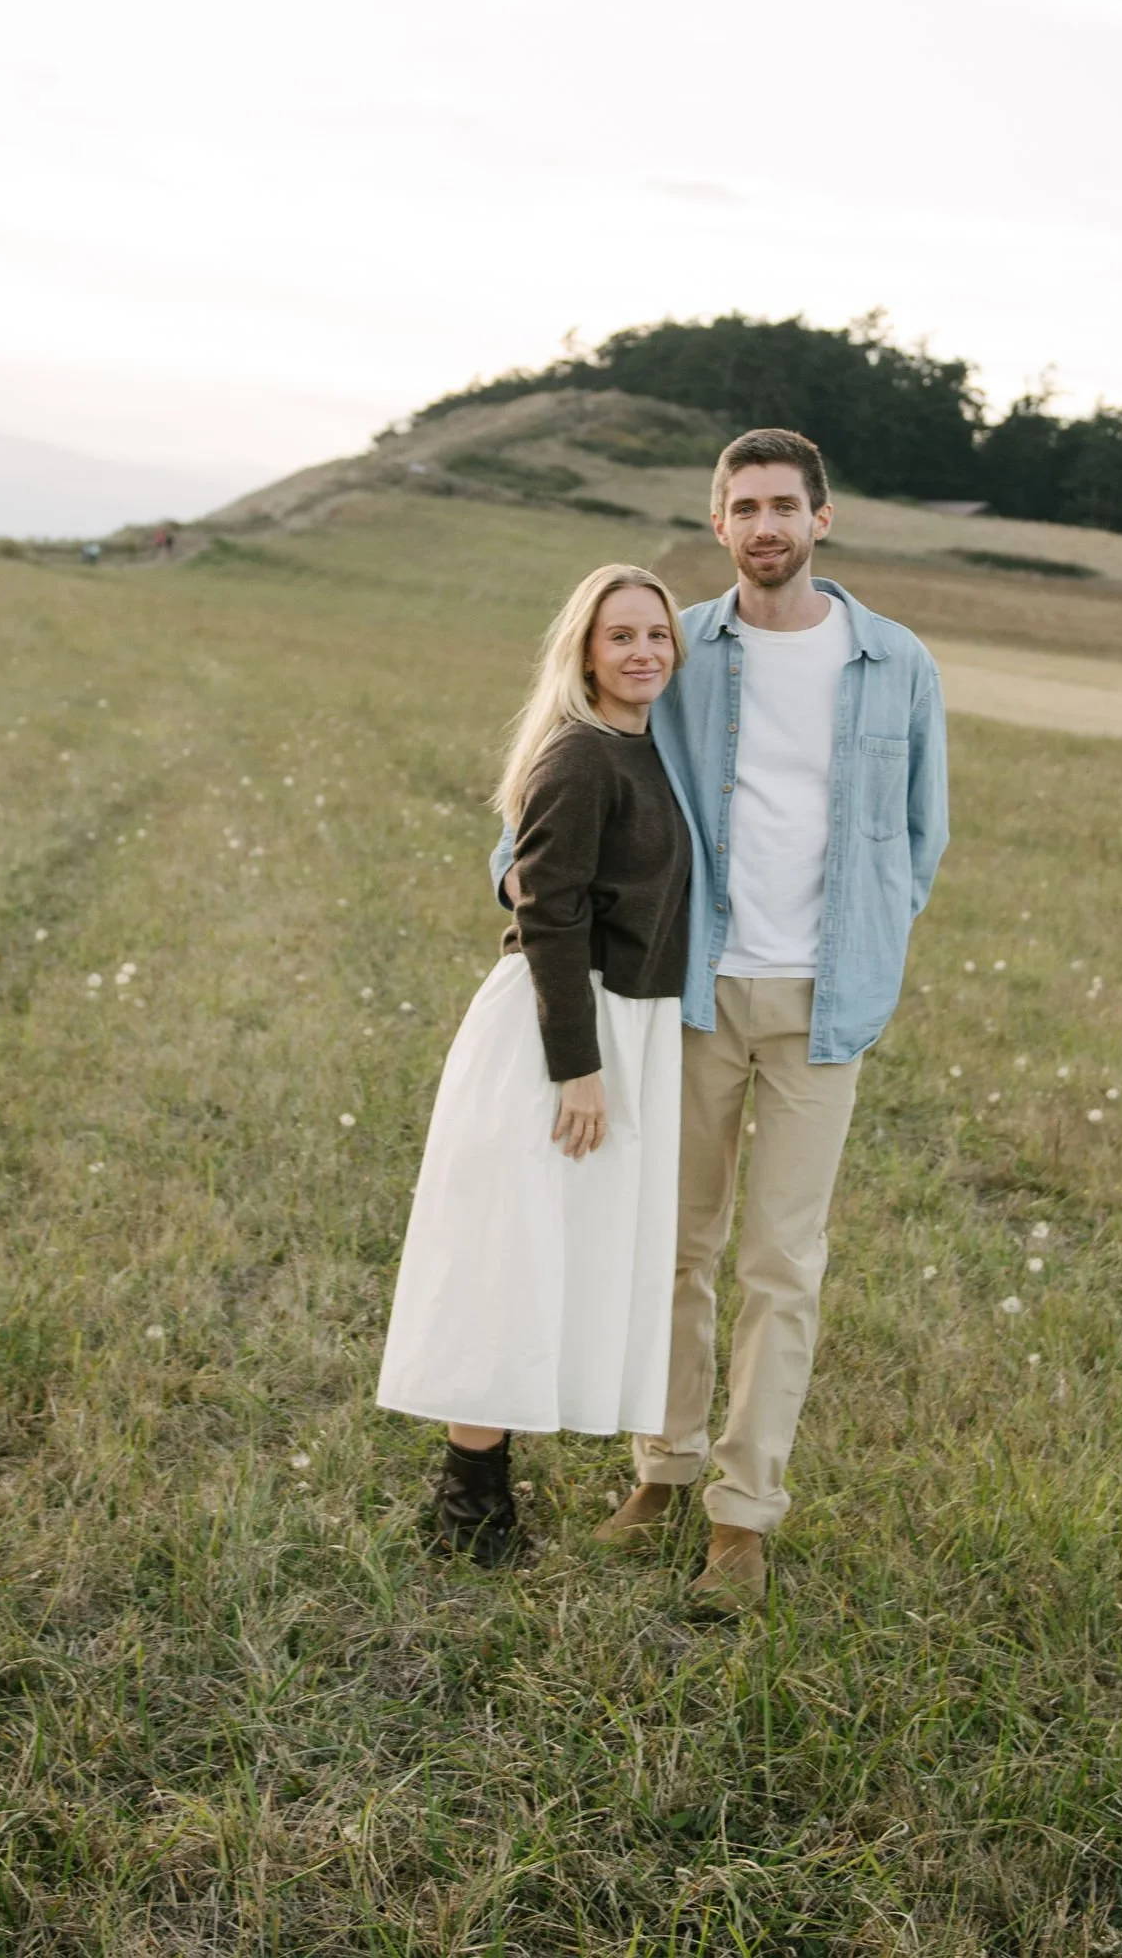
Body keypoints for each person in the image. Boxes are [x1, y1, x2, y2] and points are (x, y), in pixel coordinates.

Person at [588, 426, 947, 1615]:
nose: (765, 525)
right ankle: (662, 1465)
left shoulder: (895, 661)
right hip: (694, 989)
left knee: (779, 1264)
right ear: (715, 519)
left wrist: (872, 945)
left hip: (820, 1005)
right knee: (676, 1248)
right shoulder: (676, 644)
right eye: (743, 505)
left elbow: (919, 832)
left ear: (822, 518)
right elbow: (581, 755)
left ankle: (740, 1517)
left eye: (784, 504)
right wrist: (516, 873)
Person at [377, 564, 700, 1565]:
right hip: (558, 1032)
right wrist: (578, 1066)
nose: (643, 650)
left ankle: (482, 1485)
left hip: (621, 1024)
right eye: (620, 636)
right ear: (585, 651)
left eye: (656, 633)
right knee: (509, 1255)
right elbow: (545, 911)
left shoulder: (648, 751)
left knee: (556, 1251)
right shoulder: (579, 755)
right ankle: (467, 1504)